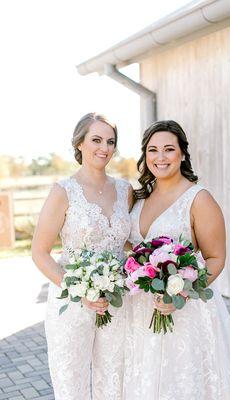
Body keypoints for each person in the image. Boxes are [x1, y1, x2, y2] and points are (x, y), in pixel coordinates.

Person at [124, 120, 230, 399]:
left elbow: (215, 257)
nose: (160, 157)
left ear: (183, 154)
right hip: (141, 310)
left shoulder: (199, 199)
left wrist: (181, 294)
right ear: (145, 155)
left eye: (168, 149)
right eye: (152, 150)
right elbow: (131, 247)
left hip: (186, 310)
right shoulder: (138, 199)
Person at [32, 112, 133, 400]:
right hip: (72, 303)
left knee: (114, 382)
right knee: (71, 385)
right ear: (79, 144)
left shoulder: (125, 191)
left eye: (110, 141)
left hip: (116, 302)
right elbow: (39, 252)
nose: (104, 148)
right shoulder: (63, 191)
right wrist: (77, 289)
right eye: (96, 140)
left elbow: (128, 242)